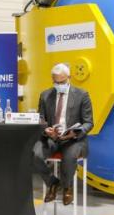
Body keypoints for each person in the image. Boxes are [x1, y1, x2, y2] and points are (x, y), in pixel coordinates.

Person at [33, 63, 94, 206]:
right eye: (56, 82)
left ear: (69, 78)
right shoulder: (45, 95)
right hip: (52, 138)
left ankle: (67, 187)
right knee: (35, 154)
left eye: (62, 82)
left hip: (73, 139)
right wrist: (46, 129)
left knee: (69, 156)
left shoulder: (82, 95)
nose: (59, 84)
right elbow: (40, 119)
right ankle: (53, 183)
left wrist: (74, 132)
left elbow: (89, 123)